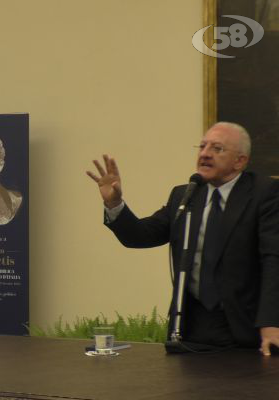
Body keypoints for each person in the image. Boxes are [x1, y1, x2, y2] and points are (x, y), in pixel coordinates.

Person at [86, 122, 279, 355]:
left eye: (217, 148)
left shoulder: (264, 193)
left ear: (240, 161)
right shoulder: (186, 195)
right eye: (202, 146)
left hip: (245, 327)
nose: (205, 154)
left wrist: (271, 323)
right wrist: (114, 203)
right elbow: (140, 236)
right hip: (190, 329)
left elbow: (274, 260)